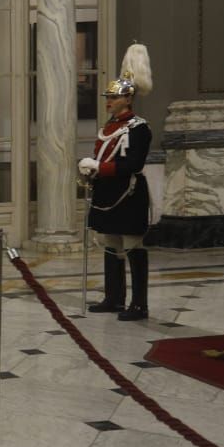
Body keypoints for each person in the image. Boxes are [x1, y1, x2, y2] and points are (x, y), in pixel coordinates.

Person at [79, 44, 155, 321]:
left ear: (128, 99)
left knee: (133, 246)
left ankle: (139, 304)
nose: (108, 101)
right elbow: (104, 157)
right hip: (107, 193)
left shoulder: (139, 128)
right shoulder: (109, 127)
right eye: (108, 96)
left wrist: (100, 166)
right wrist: (91, 170)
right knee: (110, 245)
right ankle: (114, 297)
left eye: (113, 97)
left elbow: (133, 164)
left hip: (129, 193)